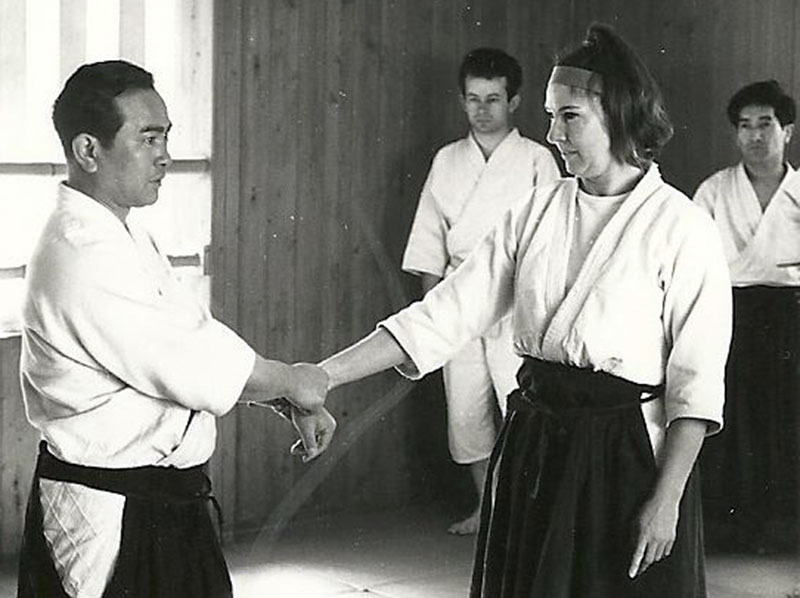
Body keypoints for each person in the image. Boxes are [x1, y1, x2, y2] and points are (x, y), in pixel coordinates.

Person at [317, 24, 731, 596]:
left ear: (619, 112)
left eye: (570, 117)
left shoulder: (682, 226)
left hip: (625, 456)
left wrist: (668, 499)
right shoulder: (534, 210)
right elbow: (446, 312)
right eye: (549, 115)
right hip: (535, 444)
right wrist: (323, 375)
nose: (552, 133)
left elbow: (697, 383)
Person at [16, 60, 335, 598]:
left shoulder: (120, 234)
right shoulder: (79, 250)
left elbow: (195, 336)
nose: (164, 155)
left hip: (163, 500)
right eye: (147, 138)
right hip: (111, 514)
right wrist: (294, 382)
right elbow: (187, 362)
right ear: (88, 150)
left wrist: (277, 396)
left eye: (165, 135)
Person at [402, 47, 560, 535]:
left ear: (514, 101)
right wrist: (436, 316)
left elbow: (554, 238)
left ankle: (530, 513)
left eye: (493, 99)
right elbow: (429, 238)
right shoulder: (447, 161)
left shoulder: (538, 159)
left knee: (524, 407)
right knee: (466, 413)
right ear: (462, 101)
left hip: (519, 299)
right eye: (473, 99)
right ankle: (487, 508)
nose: (482, 109)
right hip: (459, 296)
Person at [694, 80, 800, 551]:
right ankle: (732, 527)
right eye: (744, 126)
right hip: (730, 312)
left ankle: (785, 527)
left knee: (787, 418)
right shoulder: (714, 191)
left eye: (766, 124)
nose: (755, 135)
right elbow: (694, 261)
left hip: (792, 319)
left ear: (788, 131)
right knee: (732, 416)